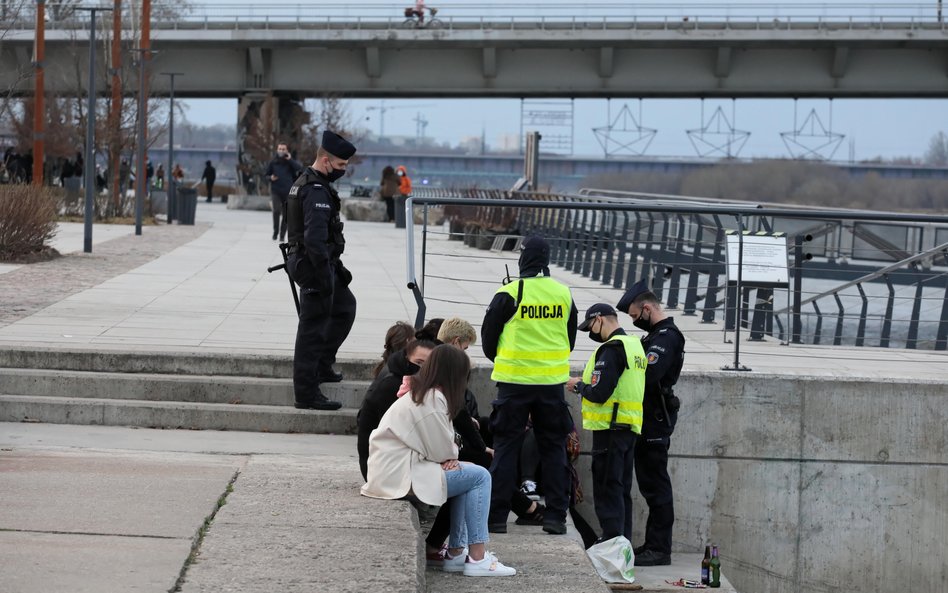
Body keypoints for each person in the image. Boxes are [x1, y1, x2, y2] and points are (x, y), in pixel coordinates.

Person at [361, 344, 517, 577]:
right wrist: (450, 454)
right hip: (400, 474)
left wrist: (449, 453)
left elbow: (443, 447)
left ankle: (456, 554)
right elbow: (443, 450)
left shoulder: (426, 393)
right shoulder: (431, 400)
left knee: (471, 472)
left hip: (397, 469)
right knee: (480, 476)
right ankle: (477, 557)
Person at [481, 235, 578, 535]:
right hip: (551, 384)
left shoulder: (510, 291)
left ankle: (496, 518)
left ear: (523, 259)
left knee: (507, 447)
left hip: (513, 383)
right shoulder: (563, 293)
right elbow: (570, 338)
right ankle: (556, 518)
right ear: (546, 260)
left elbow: (488, 339)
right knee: (553, 449)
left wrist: (508, 359)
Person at [285, 131, 357, 410]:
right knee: (311, 330)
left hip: (322, 263)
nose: (343, 171)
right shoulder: (315, 191)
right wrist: (325, 277)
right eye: (340, 166)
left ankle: (324, 364)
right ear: (325, 161)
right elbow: (314, 240)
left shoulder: (311, 183)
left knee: (344, 307)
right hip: (314, 266)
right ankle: (306, 392)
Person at [616, 278, 686, 566]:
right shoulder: (653, 336)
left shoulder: (666, 337)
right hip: (646, 417)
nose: (634, 322)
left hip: (655, 420)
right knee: (648, 483)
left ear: (647, 308)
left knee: (656, 485)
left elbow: (648, 375)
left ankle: (660, 548)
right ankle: (653, 545)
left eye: (635, 316)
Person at [566, 303, 646, 543]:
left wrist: (578, 386)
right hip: (629, 427)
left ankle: (612, 542)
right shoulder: (634, 347)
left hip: (609, 429)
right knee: (622, 491)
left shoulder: (611, 349)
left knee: (607, 489)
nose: (592, 332)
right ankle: (623, 545)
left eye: (591, 326)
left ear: (599, 319)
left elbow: (600, 393)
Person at [266, 142, 303, 242]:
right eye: (280, 149)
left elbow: (299, 168)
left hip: (288, 191)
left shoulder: (290, 162)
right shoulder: (273, 162)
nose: (281, 151)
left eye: (283, 149)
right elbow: (266, 175)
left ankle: (282, 235)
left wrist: (290, 159)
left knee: (286, 214)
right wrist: (270, 178)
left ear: (287, 151)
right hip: (276, 190)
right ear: (277, 150)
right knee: (276, 211)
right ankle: (275, 231)